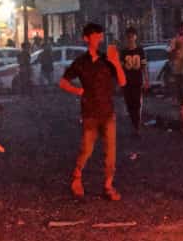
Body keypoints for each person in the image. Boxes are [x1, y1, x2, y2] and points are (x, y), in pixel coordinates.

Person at [59, 22, 126, 200]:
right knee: (87, 149)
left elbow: (122, 81)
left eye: (100, 36)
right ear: (86, 39)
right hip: (89, 112)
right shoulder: (81, 62)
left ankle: (108, 186)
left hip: (108, 112)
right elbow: (63, 82)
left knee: (110, 152)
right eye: (96, 36)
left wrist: (116, 63)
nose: (99, 39)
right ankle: (76, 177)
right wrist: (78, 91)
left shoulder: (107, 60)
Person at [119, 27, 148, 135]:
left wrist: (146, 80)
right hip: (127, 81)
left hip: (137, 80)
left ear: (135, 37)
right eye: (128, 37)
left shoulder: (140, 50)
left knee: (137, 103)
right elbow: (121, 68)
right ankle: (134, 124)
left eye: (132, 36)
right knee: (129, 104)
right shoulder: (124, 51)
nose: (130, 39)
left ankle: (137, 127)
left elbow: (144, 66)